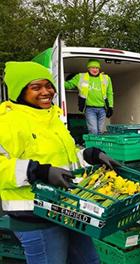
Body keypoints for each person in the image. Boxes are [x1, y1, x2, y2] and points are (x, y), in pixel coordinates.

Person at [0, 61, 119, 264]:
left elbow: (67, 155)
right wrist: (38, 172)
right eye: (36, 87)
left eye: (49, 86)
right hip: (35, 215)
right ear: (20, 91)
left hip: (67, 208)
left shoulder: (52, 116)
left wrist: (91, 155)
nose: (46, 92)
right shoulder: (8, 121)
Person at [65, 59, 114, 134]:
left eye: (97, 68)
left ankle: (97, 145)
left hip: (102, 109)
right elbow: (69, 85)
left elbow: (109, 93)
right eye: (92, 67)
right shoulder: (81, 77)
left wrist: (110, 107)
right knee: (93, 130)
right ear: (88, 68)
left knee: (100, 131)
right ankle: (93, 145)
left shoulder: (106, 78)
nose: (95, 70)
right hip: (90, 109)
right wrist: (55, 80)